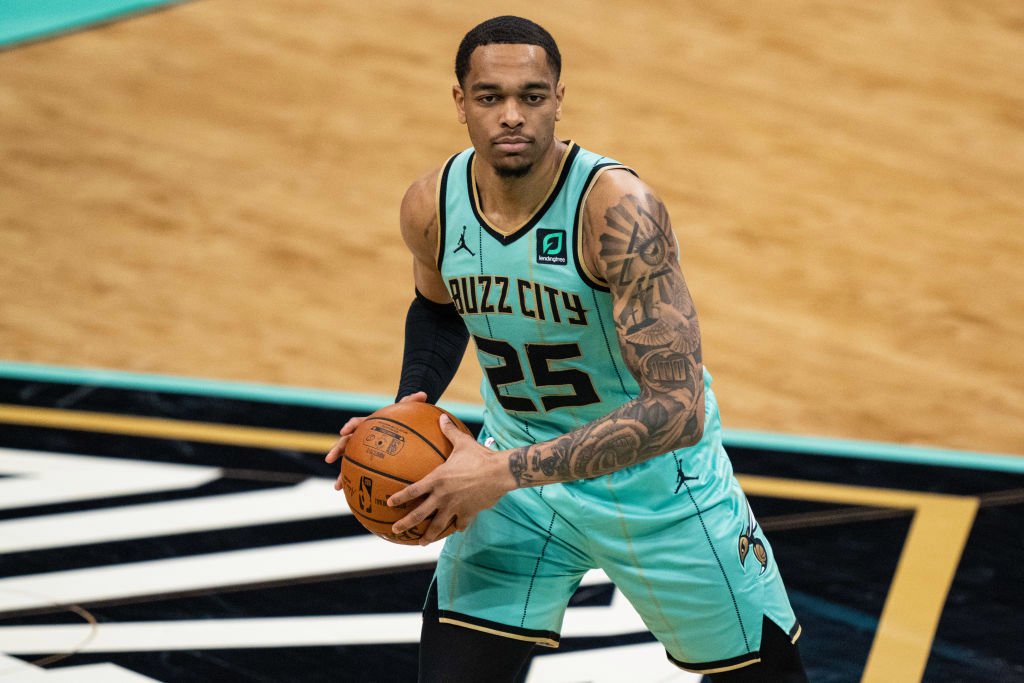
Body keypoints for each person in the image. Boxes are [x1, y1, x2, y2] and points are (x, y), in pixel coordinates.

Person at [326, 15, 807, 682]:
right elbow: (438, 310)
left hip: (656, 491)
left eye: (531, 95)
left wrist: (499, 472)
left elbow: (677, 408)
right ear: (460, 102)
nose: (512, 116)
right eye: (490, 97)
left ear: (558, 98)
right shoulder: (432, 205)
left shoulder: (618, 212)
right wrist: (407, 408)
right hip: (518, 491)